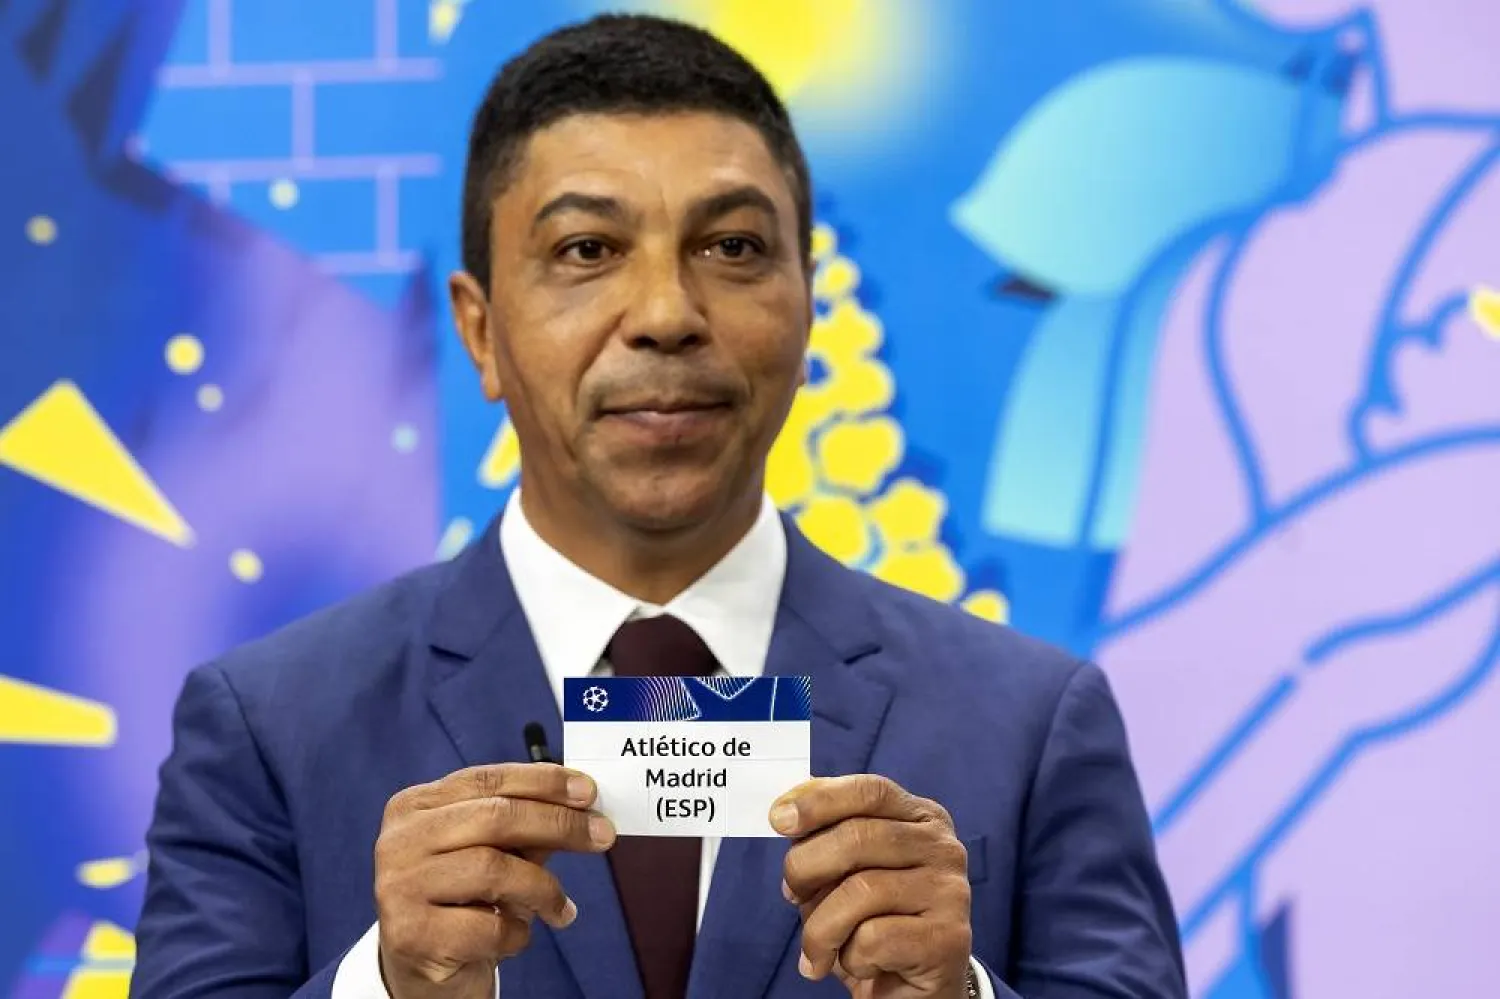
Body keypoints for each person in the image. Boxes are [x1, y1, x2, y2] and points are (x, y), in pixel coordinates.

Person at [129, 13, 1185, 999]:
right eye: (587, 251)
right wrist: (387, 985)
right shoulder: (270, 727)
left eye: (731, 248)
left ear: (806, 308)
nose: (669, 314)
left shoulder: (1031, 724)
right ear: (482, 330)